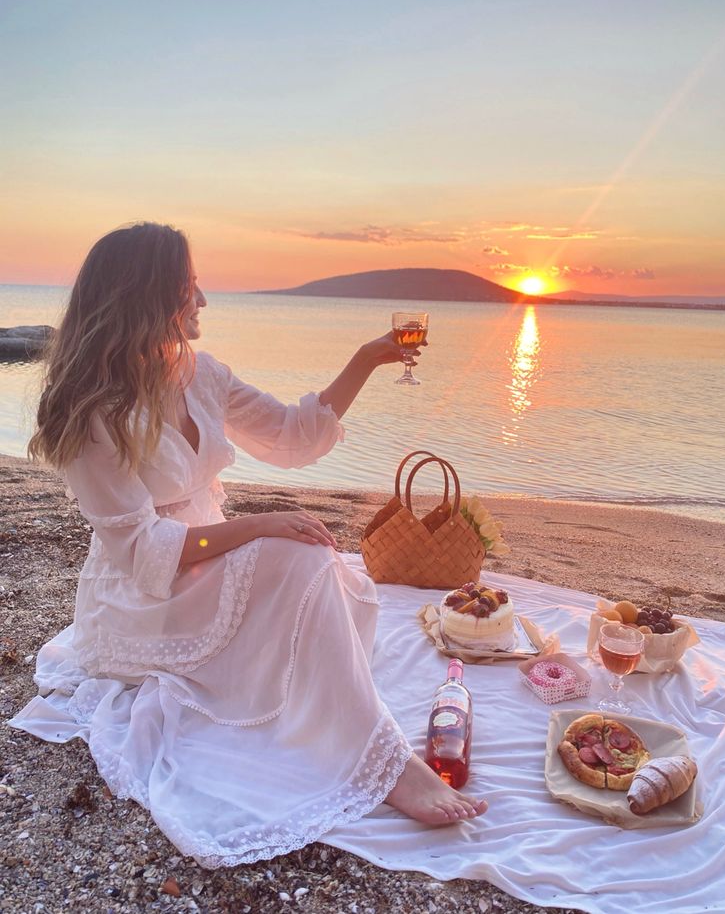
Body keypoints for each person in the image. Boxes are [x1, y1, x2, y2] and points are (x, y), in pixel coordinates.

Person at [12, 222, 487, 867]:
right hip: (143, 593)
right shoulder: (90, 410)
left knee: (331, 578)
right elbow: (141, 548)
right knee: (299, 556)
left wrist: (366, 358)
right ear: (148, 297)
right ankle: (388, 762)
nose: (202, 300)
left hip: (208, 559)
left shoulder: (200, 375)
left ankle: (349, 725)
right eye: (189, 287)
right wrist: (259, 527)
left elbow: (293, 437)